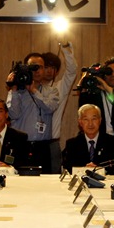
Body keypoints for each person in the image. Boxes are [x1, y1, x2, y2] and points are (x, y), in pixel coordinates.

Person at [6, 53, 59, 173]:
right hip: (21, 146)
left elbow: (50, 107)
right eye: (32, 67)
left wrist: (33, 90)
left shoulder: (51, 91)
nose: (37, 71)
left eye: (40, 67)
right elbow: (13, 114)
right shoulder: (17, 91)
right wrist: (13, 89)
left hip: (43, 147)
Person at [41, 43, 77, 174]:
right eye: (46, 67)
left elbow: (72, 71)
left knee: (54, 179)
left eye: (53, 68)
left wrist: (65, 50)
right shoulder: (30, 89)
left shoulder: (60, 88)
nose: (50, 71)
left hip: (52, 143)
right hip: (32, 143)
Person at [62, 104, 114, 174]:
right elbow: (67, 169)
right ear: (80, 122)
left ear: (100, 120)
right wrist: (84, 170)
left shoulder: (112, 142)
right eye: (86, 119)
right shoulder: (72, 144)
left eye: (94, 119)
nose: (90, 124)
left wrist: (100, 170)